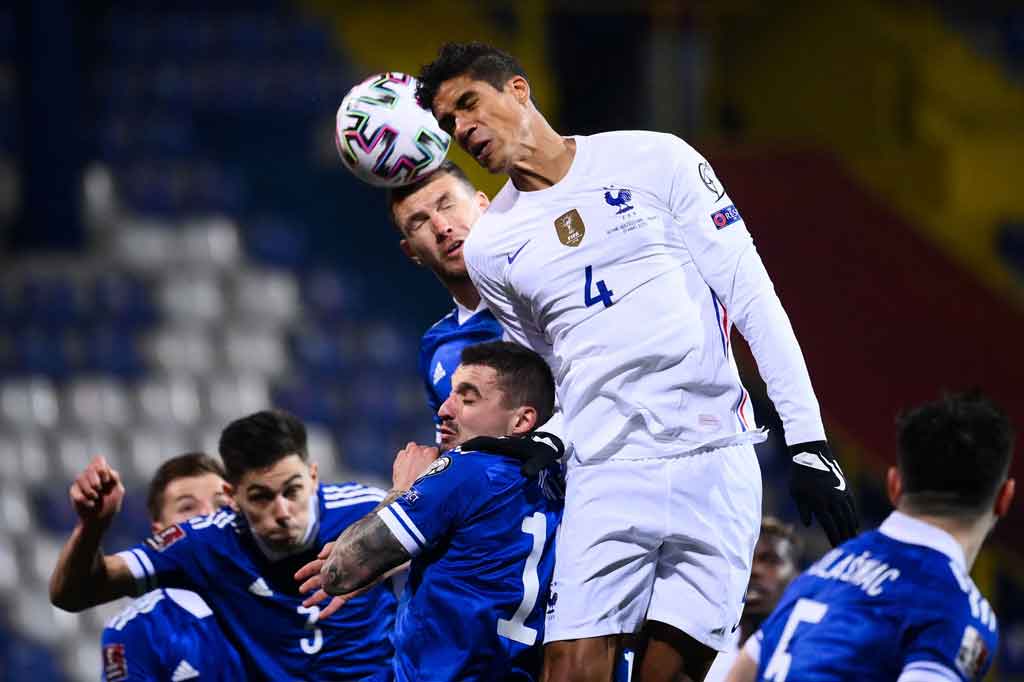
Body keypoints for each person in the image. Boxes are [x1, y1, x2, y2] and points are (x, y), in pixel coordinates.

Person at [415, 42, 858, 682]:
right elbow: (555, 370)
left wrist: (807, 438)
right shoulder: (491, 248)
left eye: (468, 105)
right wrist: (551, 438)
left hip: (716, 461)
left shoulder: (656, 158)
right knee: (569, 670)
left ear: (517, 89)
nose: (464, 130)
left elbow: (752, 296)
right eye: (449, 125)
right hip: (607, 472)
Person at [50, 409, 397, 680]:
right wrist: (92, 527)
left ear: (313, 476)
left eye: (292, 490)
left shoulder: (369, 511)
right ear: (231, 496)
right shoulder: (207, 542)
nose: (282, 512)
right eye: (261, 497)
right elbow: (74, 594)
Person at [296, 341, 564, 681]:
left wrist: (402, 490)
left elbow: (340, 572)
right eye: (449, 395)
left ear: (522, 419)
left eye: (467, 399)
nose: (444, 410)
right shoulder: (552, 482)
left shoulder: (465, 469)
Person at [730, 392, 1013, 682]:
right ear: (1004, 498)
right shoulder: (957, 611)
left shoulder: (824, 573)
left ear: (894, 485)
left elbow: (738, 676)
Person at [100, 452, 245, 682]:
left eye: (220, 504)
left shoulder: (285, 596)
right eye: (187, 507)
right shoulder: (136, 631)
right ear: (160, 531)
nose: (207, 516)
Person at [388, 160, 503, 444]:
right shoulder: (437, 345)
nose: (441, 227)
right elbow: (455, 453)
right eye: (419, 222)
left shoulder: (545, 292)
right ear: (411, 251)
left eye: (447, 204)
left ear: (482, 204)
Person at [703, 518, 801, 682]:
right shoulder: (702, 649)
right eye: (747, 560)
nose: (754, 570)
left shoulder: (810, 654)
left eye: (770, 560)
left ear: (797, 577)